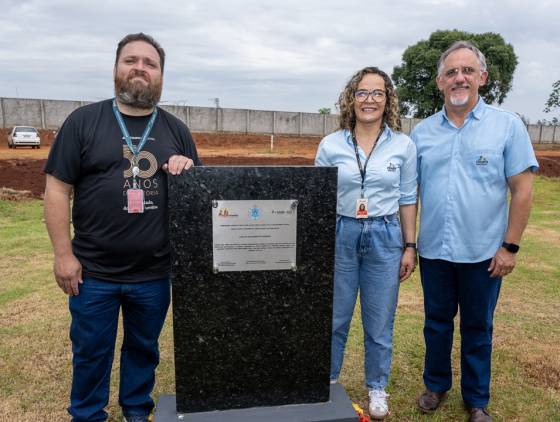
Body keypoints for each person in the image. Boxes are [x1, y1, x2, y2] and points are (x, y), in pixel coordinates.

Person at [43, 33, 201, 422]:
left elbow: (196, 195)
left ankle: (135, 410)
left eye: (150, 63)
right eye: (131, 60)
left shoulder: (176, 130)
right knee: (91, 349)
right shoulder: (83, 122)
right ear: (116, 68)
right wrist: (64, 255)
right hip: (93, 271)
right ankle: (87, 414)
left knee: (143, 349)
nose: (140, 69)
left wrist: (187, 169)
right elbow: (57, 189)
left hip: (153, 272)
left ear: (161, 75)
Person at [410, 41, 538, 422]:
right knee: (435, 323)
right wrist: (409, 243)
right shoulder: (422, 133)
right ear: (439, 82)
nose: (459, 78)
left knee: (478, 327)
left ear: (482, 77)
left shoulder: (507, 126)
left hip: (484, 253)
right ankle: (435, 385)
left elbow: (523, 189)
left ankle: (477, 399)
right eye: (451, 72)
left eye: (467, 70)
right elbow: (409, 193)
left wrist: (510, 246)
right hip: (434, 251)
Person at [315, 66, 417, 419]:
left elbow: (407, 197)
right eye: (362, 92)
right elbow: (319, 198)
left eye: (377, 93)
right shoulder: (330, 144)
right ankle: (326, 383)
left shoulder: (403, 145)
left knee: (379, 322)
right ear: (351, 98)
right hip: (341, 233)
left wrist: (409, 245)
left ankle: (377, 388)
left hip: (385, 236)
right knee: (335, 318)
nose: (369, 100)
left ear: (387, 99)